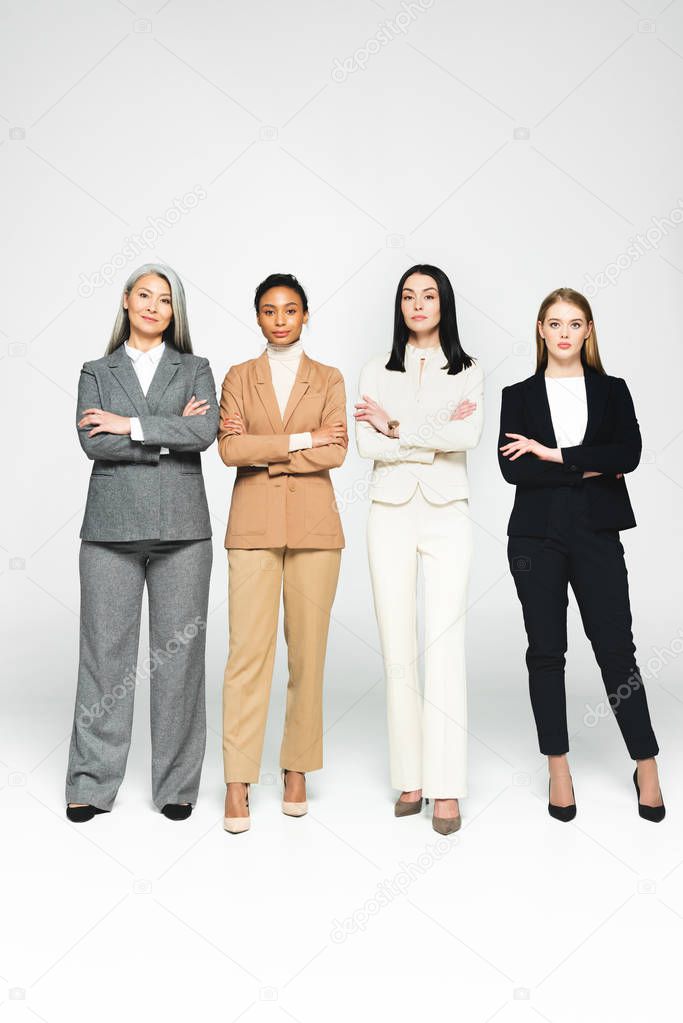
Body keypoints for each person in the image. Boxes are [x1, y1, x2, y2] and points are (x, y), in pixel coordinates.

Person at [498, 286, 664, 822]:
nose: (564, 333)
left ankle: (646, 763)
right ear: (541, 331)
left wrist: (554, 453)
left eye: (574, 323)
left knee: (617, 650)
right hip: (535, 537)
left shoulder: (613, 391)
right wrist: (592, 464)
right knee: (546, 652)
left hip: (597, 532)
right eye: (554, 323)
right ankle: (559, 768)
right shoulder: (517, 394)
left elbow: (631, 454)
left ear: (588, 331)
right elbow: (514, 469)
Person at [65, 263, 218, 823]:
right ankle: (90, 781)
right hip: (110, 530)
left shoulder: (196, 367)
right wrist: (165, 429)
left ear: (175, 312)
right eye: (145, 295)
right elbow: (90, 441)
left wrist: (128, 426)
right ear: (126, 300)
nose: (154, 306)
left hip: (184, 532)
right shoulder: (96, 371)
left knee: (179, 662)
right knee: (104, 661)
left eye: (166, 300)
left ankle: (177, 785)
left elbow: (205, 433)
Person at [355, 264, 484, 835]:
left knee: (445, 642)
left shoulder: (469, 371)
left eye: (428, 295)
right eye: (408, 296)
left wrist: (396, 428)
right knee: (398, 648)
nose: (418, 304)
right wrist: (417, 433)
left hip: (447, 512)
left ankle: (447, 786)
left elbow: (468, 437)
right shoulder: (375, 371)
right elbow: (364, 444)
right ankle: (411, 777)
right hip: (388, 513)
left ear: (444, 304)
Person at [218, 273, 347, 834]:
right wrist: (299, 442)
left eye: (289, 310)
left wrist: (265, 451)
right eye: (269, 310)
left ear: (305, 315)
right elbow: (229, 448)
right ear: (258, 317)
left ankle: (296, 768)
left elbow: (338, 448)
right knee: (247, 654)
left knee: (308, 656)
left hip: (317, 530)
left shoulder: (329, 378)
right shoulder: (238, 377)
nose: (279, 319)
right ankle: (237, 780)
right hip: (252, 527)